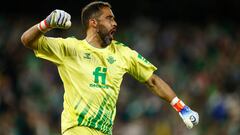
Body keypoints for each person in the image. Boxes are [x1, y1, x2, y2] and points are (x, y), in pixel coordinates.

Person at [21, 1, 199, 135]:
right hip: (77, 129)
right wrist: (45, 24)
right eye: (109, 18)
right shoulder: (70, 48)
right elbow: (27, 40)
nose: (115, 23)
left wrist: (182, 108)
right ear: (93, 23)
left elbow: (152, 80)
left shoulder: (123, 53)